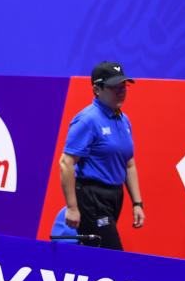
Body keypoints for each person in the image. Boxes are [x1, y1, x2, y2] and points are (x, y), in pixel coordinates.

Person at [59, 62, 145, 250]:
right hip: (91, 197)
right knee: (112, 253)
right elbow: (66, 163)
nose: (121, 91)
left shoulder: (123, 120)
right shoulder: (88, 120)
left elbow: (129, 164)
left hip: (115, 196)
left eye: (123, 86)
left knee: (94, 252)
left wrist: (137, 203)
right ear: (97, 90)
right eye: (114, 87)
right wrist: (72, 207)